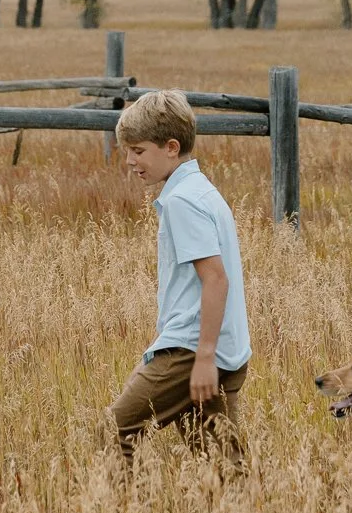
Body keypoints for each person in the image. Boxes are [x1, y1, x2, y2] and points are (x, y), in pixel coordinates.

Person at [107, 89, 251, 461]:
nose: (129, 161)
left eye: (138, 151)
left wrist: (204, 357)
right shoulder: (201, 190)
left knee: (116, 431)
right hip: (220, 346)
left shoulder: (181, 201)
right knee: (220, 460)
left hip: (192, 349)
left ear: (171, 147)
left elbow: (216, 279)